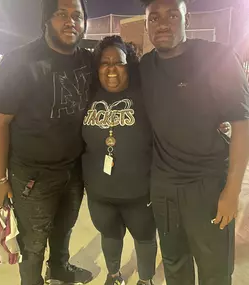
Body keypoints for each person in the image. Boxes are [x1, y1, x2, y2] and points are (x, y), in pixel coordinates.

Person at [139, 0, 249, 285]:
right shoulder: (146, 67)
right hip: (163, 188)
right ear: (146, 24)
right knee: (174, 264)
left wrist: (231, 191)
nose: (163, 23)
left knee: (214, 272)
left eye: (173, 15)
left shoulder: (216, 57)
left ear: (187, 19)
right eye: (154, 18)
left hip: (207, 187)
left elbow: (242, 123)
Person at [0, 0, 94, 284]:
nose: (70, 21)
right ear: (46, 19)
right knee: (33, 242)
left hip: (73, 169)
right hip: (32, 175)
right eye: (61, 14)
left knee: (64, 228)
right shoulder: (20, 61)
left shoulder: (86, 60)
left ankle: (59, 267)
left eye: (77, 16)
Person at [82, 35, 157, 285]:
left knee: (145, 238)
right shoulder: (88, 96)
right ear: (97, 67)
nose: (111, 69)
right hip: (100, 193)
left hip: (139, 192)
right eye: (105, 63)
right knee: (110, 235)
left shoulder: (145, 96)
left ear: (129, 65)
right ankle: (114, 275)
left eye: (119, 62)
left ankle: (145, 280)